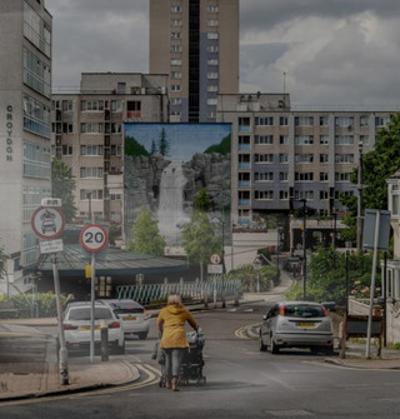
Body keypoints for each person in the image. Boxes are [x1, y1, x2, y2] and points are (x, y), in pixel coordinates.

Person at [157, 294, 198, 391]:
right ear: (179, 301)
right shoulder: (184, 311)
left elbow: (158, 323)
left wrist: (162, 332)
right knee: (176, 361)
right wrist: (197, 329)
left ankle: (167, 382)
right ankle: (174, 383)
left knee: (168, 361)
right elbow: (193, 323)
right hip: (178, 338)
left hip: (167, 338)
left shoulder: (164, 311)